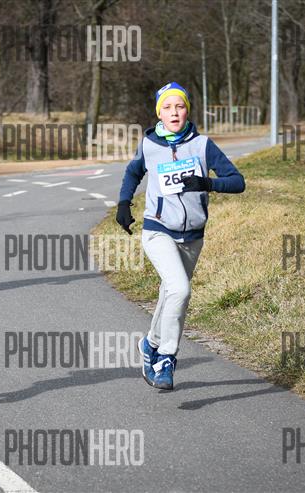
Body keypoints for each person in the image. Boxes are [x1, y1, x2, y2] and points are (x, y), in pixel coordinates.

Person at [116, 82, 245, 390]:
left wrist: (207, 183)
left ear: (188, 110)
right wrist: (123, 203)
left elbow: (237, 181)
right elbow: (133, 172)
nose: (174, 112)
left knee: (171, 294)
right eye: (167, 107)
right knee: (180, 289)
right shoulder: (149, 145)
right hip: (157, 229)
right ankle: (166, 358)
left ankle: (150, 344)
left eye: (180, 106)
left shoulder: (203, 145)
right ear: (158, 113)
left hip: (193, 235)